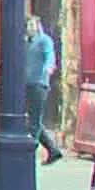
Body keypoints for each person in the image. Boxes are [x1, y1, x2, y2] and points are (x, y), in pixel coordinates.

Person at [23, 16, 65, 166]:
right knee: (33, 120)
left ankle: (29, 154)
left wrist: (49, 67)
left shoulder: (44, 40)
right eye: (28, 25)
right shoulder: (25, 42)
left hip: (39, 84)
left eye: (32, 25)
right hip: (27, 84)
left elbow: (50, 55)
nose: (30, 28)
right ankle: (53, 150)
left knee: (34, 121)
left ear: (38, 25)